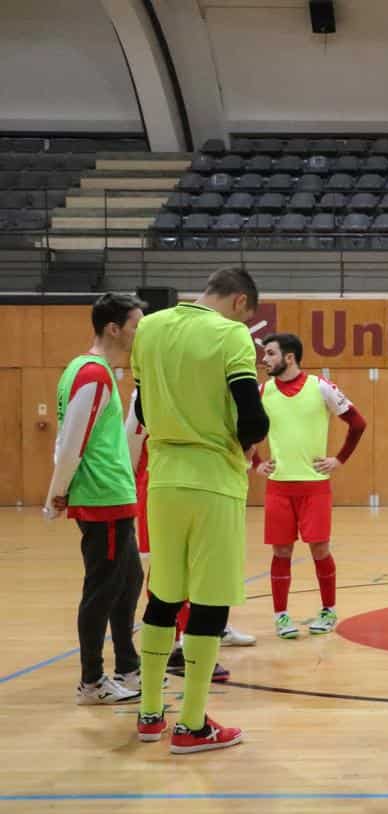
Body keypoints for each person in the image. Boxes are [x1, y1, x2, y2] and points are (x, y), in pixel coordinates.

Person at [129, 267, 269, 753]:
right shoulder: (231, 336)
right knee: (209, 603)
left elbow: (142, 410)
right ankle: (191, 725)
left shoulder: (149, 327)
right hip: (213, 481)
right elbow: (252, 418)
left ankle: (150, 715)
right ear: (240, 302)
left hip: (163, 480)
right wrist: (248, 442)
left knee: (163, 596)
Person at [43, 293, 146, 705]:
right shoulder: (91, 374)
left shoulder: (94, 371)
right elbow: (71, 441)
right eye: (136, 325)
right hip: (102, 498)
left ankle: (128, 667)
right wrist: (57, 492)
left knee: (129, 581)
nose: (140, 332)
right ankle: (91, 681)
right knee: (102, 590)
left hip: (114, 496)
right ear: (113, 329)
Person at [252, 333, 367, 639]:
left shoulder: (321, 387)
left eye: (271, 353)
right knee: (281, 551)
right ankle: (281, 616)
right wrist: (256, 462)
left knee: (319, 549)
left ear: (289, 357)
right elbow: (243, 428)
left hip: (314, 487)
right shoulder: (263, 391)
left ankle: (328, 610)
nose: (265, 359)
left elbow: (358, 423)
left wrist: (339, 459)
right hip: (278, 487)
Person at [127, 388, 241, 683]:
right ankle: (177, 645)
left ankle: (196, 636)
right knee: (166, 568)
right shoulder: (147, 390)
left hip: (203, 482)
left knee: (199, 566)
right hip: (162, 483)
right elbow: (131, 444)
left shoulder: (201, 381)